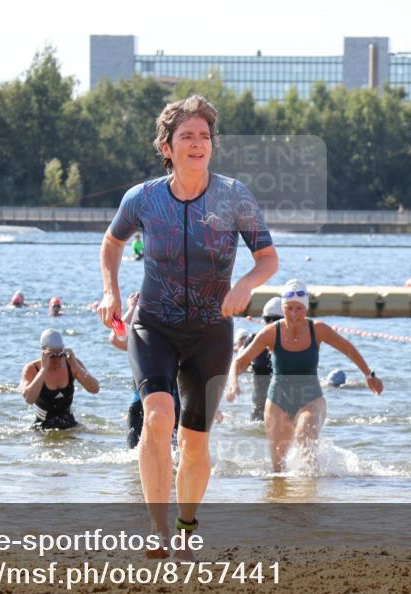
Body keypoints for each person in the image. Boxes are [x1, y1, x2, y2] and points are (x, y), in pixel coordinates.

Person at [98, 94, 278, 554]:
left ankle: (185, 524)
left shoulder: (234, 196)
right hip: (153, 324)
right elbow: (112, 243)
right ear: (167, 146)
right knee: (158, 417)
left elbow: (268, 259)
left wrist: (245, 287)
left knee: (195, 442)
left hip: (211, 330)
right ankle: (158, 532)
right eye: (186, 136)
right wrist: (110, 292)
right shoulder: (143, 198)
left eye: (204, 136)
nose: (197, 144)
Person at [231, 280, 383, 471]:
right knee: (278, 468)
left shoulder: (317, 329)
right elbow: (239, 362)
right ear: (283, 308)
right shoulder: (271, 332)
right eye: (289, 308)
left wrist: (369, 375)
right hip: (278, 400)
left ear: (306, 308)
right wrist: (233, 384)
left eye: (299, 309)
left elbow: (347, 348)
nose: (294, 314)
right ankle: (281, 501)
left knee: (305, 438)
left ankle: (310, 496)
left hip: (311, 398)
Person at [110, 292, 181, 448]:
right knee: (133, 458)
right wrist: (132, 309)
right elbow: (115, 338)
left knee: (172, 457)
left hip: (171, 404)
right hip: (139, 405)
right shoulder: (140, 341)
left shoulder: (175, 339)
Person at [21, 329, 99, 430]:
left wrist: (76, 367)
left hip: (70, 424)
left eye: (61, 354)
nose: (58, 359)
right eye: (52, 356)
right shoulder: (32, 369)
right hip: (42, 428)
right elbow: (29, 399)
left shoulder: (71, 364)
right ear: (43, 352)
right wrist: (43, 370)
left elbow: (95, 389)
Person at [227, 296, 282, 421]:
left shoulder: (295, 344)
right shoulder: (254, 341)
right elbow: (237, 366)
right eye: (268, 319)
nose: (272, 323)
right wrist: (234, 385)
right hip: (259, 412)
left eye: (277, 319)